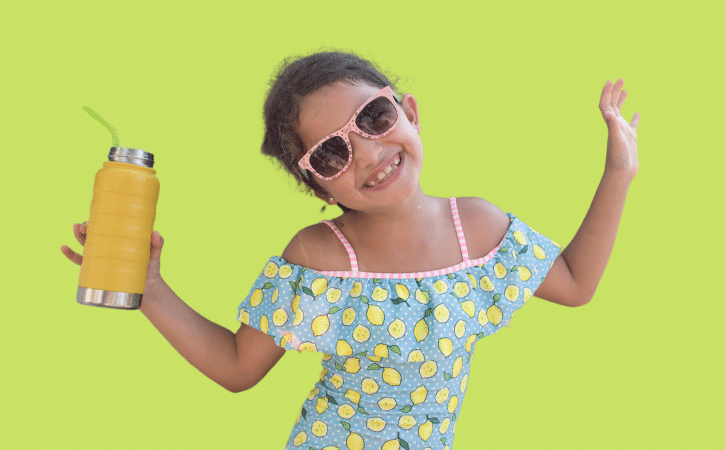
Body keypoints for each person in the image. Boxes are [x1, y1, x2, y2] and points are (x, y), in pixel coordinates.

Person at [61, 51, 640, 449]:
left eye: (374, 117)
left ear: (408, 112)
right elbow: (238, 368)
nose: (367, 153)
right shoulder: (319, 259)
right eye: (332, 155)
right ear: (318, 186)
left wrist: (618, 170)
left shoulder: (479, 228)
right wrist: (151, 288)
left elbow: (574, 283)